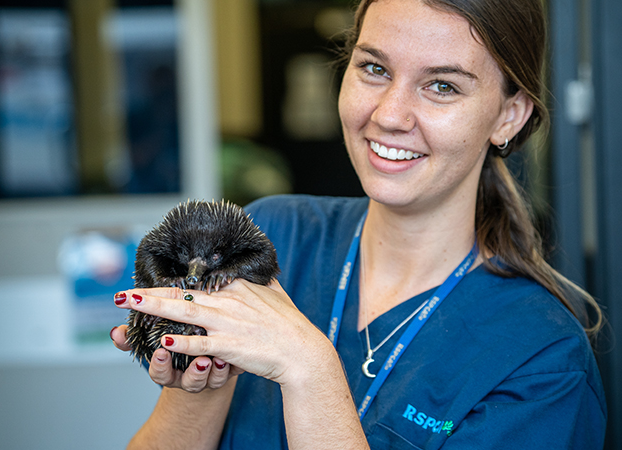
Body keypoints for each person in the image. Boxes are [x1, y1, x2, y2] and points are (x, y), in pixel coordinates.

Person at [110, 0, 607, 448]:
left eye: (442, 86)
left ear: (509, 116)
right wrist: (203, 381)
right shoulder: (266, 236)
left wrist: (311, 370)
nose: (390, 115)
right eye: (374, 68)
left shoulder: (539, 358)